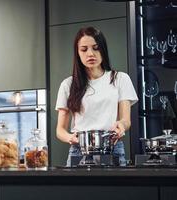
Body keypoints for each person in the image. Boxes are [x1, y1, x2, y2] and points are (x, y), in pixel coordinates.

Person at [55, 26, 138, 166]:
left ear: (103, 50)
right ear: (78, 53)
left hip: (112, 148)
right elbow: (60, 130)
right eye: (84, 49)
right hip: (79, 151)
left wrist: (121, 126)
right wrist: (71, 138)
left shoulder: (120, 78)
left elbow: (126, 120)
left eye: (95, 48)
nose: (90, 54)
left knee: (118, 188)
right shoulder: (68, 84)